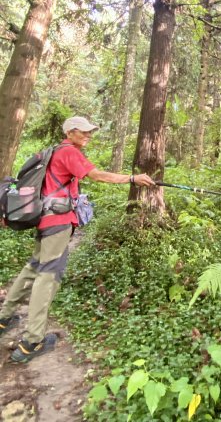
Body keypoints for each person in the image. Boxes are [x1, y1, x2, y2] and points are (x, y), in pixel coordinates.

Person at [0, 116, 154, 363]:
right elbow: (97, 175)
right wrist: (133, 178)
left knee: (32, 268)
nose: (87, 135)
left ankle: (4, 317)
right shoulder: (70, 152)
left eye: (89, 131)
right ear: (70, 132)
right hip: (57, 224)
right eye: (82, 131)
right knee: (47, 277)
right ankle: (31, 342)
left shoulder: (54, 151)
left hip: (45, 220)